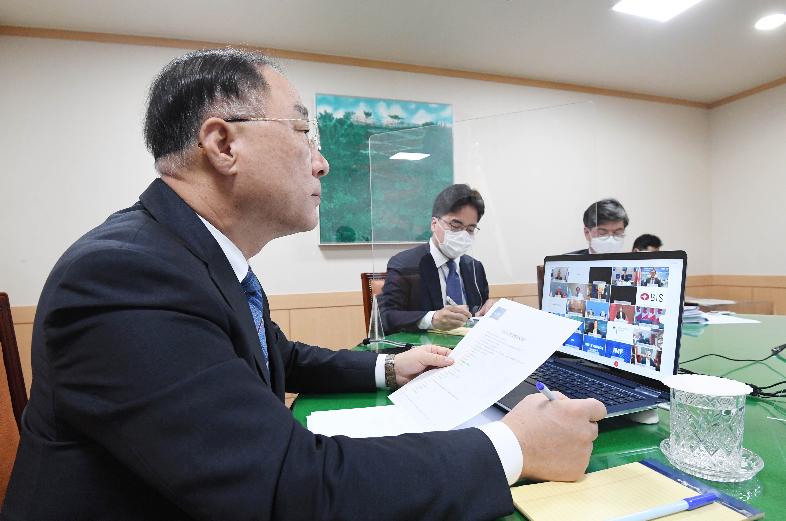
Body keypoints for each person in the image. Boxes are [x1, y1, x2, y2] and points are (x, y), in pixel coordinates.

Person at [1, 48, 606, 521]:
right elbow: (286, 492)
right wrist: (513, 448)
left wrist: (387, 370)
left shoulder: (190, 253)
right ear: (222, 144)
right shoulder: (123, 276)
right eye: (303, 135)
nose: (321, 162)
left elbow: (279, 355)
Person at [378, 184, 493, 334]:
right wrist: (432, 319)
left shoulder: (474, 267)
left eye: (470, 229)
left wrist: (488, 311)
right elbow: (385, 317)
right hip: (425, 350)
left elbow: (477, 312)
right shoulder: (405, 264)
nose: (463, 235)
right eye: (455, 225)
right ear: (434, 224)